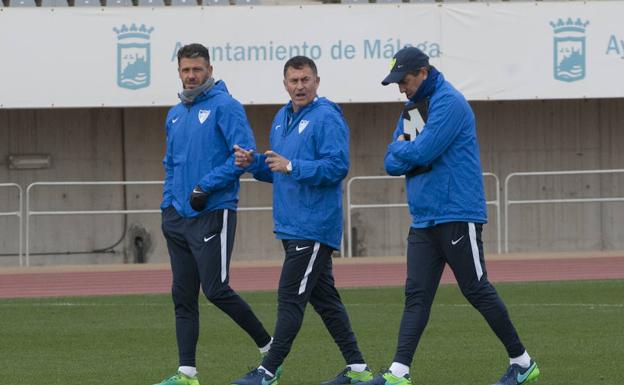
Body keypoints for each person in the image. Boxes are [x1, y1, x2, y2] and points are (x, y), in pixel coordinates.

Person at [359, 47, 540, 385]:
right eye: (397, 83)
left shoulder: (449, 102)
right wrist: (407, 152)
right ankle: (399, 372)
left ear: (424, 72)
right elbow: (391, 164)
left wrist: (404, 149)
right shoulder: (412, 108)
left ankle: (522, 361)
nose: (401, 88)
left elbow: (422, 151)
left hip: (457, 212)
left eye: (405, 80)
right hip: (424, 218)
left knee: (475, 288)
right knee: (416, 294)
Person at [230, 56, 372, 385]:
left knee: (290, 297)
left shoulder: (327, 116)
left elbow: (337, 167)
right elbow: (278, 171)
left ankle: (268, 370)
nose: (299, 86)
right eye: (293, 80)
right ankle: (359, 370)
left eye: (305, 79)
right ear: (285, 84)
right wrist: (253, 163)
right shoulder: (281, 118)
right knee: (326, 301)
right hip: (290, 225)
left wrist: (293, 166)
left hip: (314, 225)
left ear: (317, 82)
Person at [154, 43, 273, 385]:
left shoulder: (227, 106)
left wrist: (205, 186)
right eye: (185, 70)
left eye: (197, 70)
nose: (191, 76)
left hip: (212, 212)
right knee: (182, 295)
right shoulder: (175, 113)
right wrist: (167, 206)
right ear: (178, 72)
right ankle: (187, 372)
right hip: (177, 217)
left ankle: (270, 348)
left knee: (216, 289)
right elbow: (171, 164)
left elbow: (244, 154)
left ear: (210, 69)